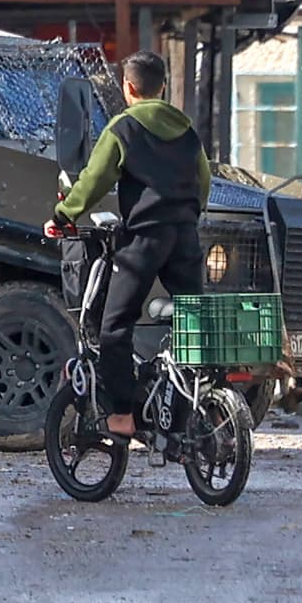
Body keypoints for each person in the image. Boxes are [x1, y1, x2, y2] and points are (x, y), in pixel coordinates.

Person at [45, 50, 211, 438]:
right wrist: (187, 215)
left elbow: (93, 181)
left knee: (115, 326)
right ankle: (195, 404)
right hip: (185, 237)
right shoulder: (187, 130)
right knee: (194, 322)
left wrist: (62, 217)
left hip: (144, 241)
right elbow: (203, 182)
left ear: (128, 87)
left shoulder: (124, 127)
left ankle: (122, 414)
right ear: (164, 88)